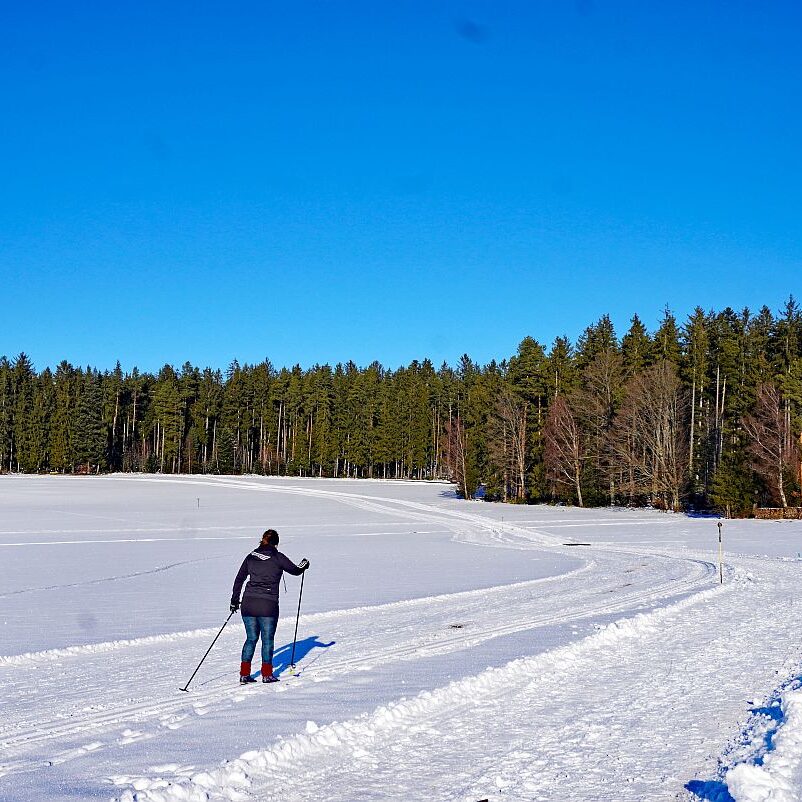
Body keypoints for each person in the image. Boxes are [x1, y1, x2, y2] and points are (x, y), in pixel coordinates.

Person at [230, 529, 309, 684]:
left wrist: (234, 600)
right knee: (267, 640)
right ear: (276, 543)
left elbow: (239, 579)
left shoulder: (251, 556)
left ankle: (244, 675)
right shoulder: (277, 557)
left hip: (248, 603)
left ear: (263, 540)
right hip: (268, 604)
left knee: (251, 638)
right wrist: (304, 565)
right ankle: (267, 674)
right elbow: (295, 570)